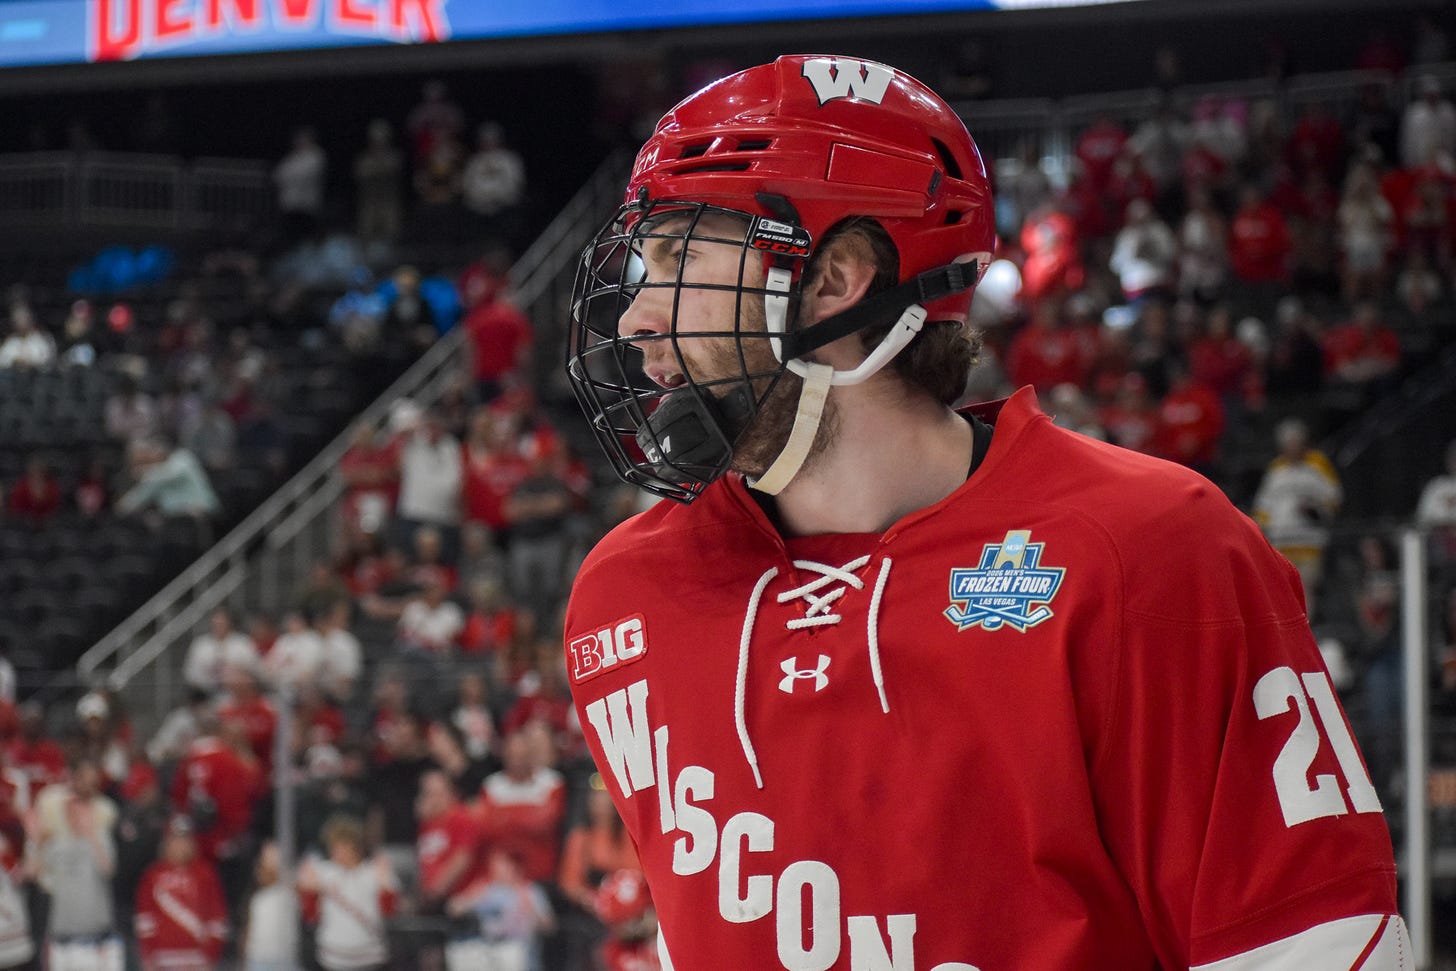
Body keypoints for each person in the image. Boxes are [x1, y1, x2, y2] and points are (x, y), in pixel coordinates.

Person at [562, 55, 1406, 969]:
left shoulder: (1153, 550)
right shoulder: (625, 596)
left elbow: (1311, 946)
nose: (639, 317)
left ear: (839, 277)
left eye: (681, 255)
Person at [133, 816, 228, 971]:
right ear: (166, 844)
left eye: (185, 840)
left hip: (198, 961)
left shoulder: (205, 874)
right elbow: (145, 919)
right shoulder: (152, 875)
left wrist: (211, 954)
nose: (181, 846)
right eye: (175, 840)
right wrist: (148, 956)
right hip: (163, 960)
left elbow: (217, 917)